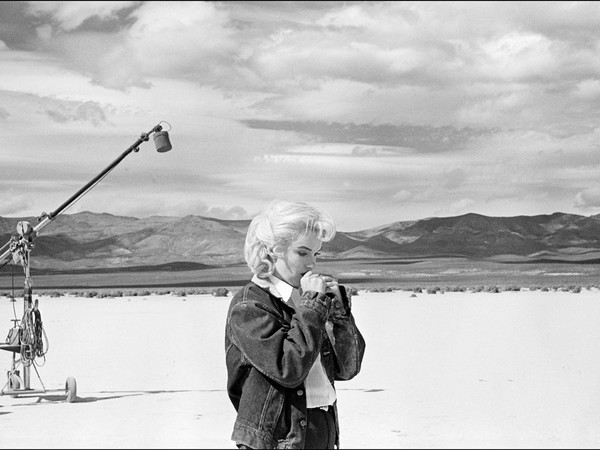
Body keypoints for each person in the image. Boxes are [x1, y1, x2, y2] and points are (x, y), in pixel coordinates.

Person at [225, 199, 366, 449]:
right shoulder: (249, 306)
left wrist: (339, 315)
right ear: (273, 250)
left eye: (316, 254)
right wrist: (312, 306)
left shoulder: (305, 300)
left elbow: (347, 369)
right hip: (277, 441)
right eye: (302, 252)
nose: (312, 264)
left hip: (321, 428)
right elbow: (288, 369)